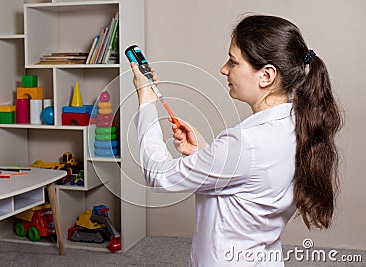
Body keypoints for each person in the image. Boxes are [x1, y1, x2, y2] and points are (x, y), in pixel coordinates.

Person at [130, 15, 342, 266]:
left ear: (266, 76)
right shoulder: (298, 125)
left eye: (233, 61)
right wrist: (205, 153)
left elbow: (159, 176)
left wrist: (146, 99)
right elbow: (249, 184)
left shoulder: (245, 143)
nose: (223, 69)